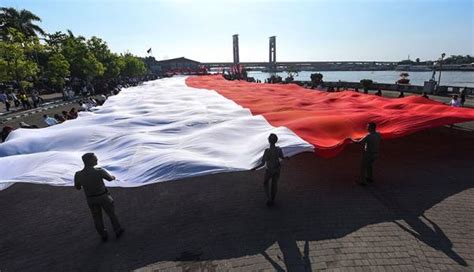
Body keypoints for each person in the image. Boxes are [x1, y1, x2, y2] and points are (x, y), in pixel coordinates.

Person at [74, 153, 124, 241]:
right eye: (95, 158)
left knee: (97, 218)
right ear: (89, 161)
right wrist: (113, 177)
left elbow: (78, 188)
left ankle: (103, 235)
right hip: (103, 197)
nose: (97, 160)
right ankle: (117, 230)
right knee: (111, 214)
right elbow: (110, 179)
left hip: (91, 199)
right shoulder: (99, 171)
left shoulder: (78, 174)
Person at [251, 133, 289, 207]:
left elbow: (263, 163)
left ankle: (269, 199)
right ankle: (273, 199)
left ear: (269, 141)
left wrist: (255, 168)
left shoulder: (267, 151)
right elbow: (282, 157)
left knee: (265, 183)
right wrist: (286, 157)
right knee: (274, 184)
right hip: (277, 169)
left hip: (269, 170)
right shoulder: (278, 149)